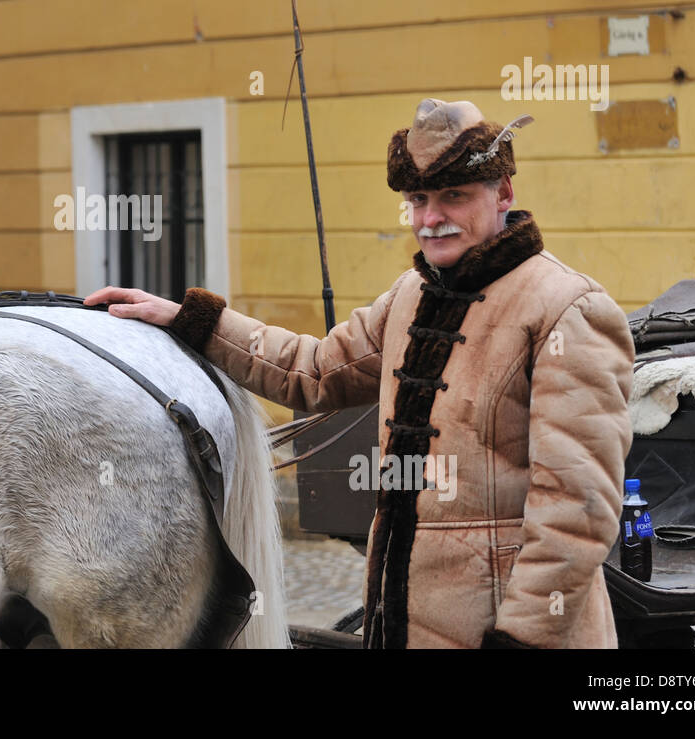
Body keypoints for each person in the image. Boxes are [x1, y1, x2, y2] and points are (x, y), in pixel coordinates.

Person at [84, 98, 634, 648]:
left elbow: (575, 507)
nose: (430, 219)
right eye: (418, 200)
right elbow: (313, 370)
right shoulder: (410, 296)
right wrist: (196, 321)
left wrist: (521, 640)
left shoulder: (568, 309)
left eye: (454, 197)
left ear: (504, 193)